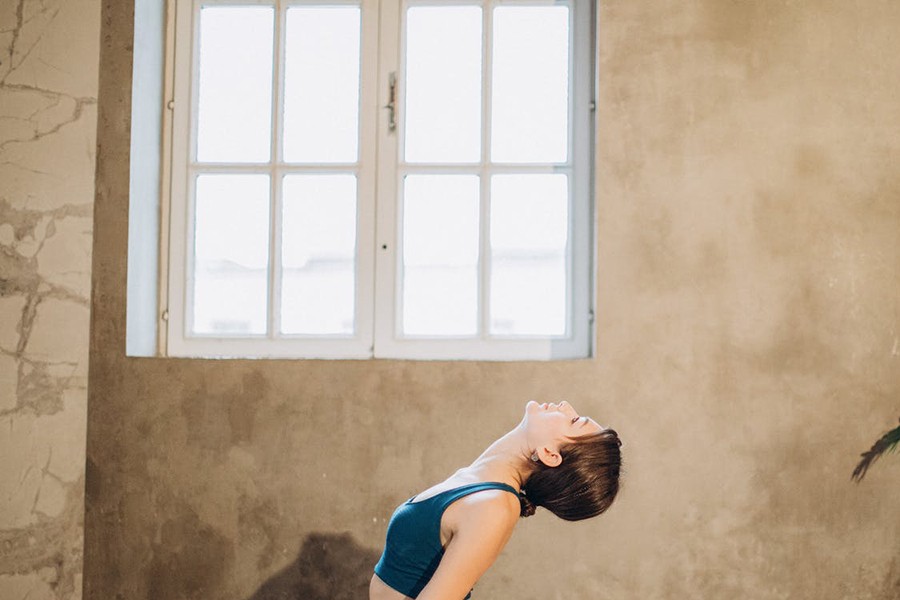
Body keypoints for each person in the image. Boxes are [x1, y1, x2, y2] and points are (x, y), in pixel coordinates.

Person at [369, 400, 622, 600]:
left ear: (549, 454)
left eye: (574, 420)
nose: (566, 406)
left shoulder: (494, 508)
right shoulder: (482, 486)